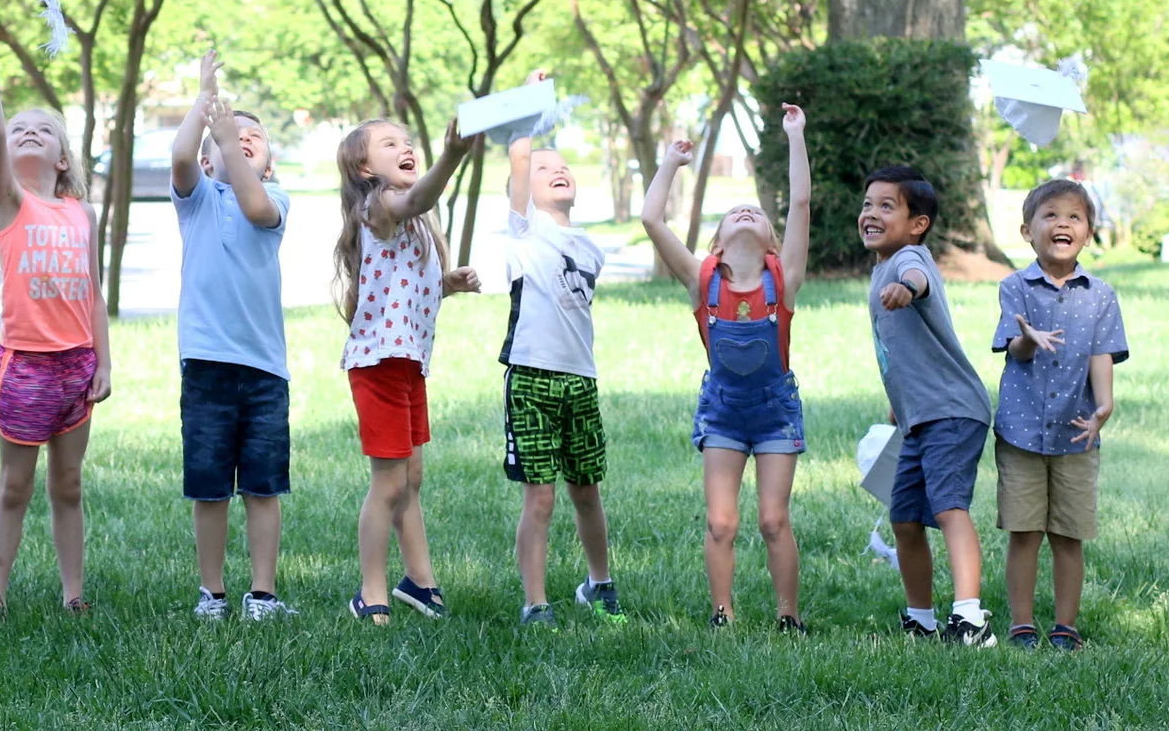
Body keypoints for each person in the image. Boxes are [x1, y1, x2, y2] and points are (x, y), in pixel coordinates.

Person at [641, 106, 813, 633]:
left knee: (772, 519)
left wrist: (795, 136)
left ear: (770, 241)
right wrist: (670, 163)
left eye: (756, 213)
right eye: (735, 211)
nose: (746, 212)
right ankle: (723, 613)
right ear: (716, 243)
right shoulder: (702, 281)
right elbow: (652, 219)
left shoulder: (783, 284)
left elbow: (802, 201)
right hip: (722, 412)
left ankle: (788, 616)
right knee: (720, 522)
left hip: (774, 412)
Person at [0, 3, 111, 614]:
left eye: (43, 129)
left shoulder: (79, 211)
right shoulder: (9, 203)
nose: (27, 131)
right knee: (16, 485)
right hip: (23, 366)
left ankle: (73, 595)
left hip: (76, 364)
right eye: (21, 126)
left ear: (62, 158)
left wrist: (104, 362)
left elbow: (94, 292)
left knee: (68, 485)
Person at [335, 115, 482, 625]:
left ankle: (420, 582)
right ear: (363, 166)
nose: (405, 147)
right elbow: (417, 197)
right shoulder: (379, 204)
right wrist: (453, 156)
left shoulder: (413, 219)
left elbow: (400, 286)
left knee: (412, 478)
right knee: (389, 485)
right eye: (389, 143)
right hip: (378, 366)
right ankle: (369, 591)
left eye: (407, 141)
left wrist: (445, 283)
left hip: (408, 365)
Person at [168, 51, 297, 622]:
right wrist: (204, 102)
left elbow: (253, 204)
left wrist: (225, 131)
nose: (243, 138)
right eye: (232, 135)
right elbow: (178, 156)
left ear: (267, 163)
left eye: (255, 138)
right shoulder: (196, 200)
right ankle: (212, 593)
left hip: (265, 369)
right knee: (210, 486)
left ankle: (262, 594)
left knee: (263, 487)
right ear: (207, 158)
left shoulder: (274, 200)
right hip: (206, 366)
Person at [494, 71, 615, 629]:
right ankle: (536, 602)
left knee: (586, 490)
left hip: (580, 380)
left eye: (562, 165)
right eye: (544, 168)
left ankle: (600, 585)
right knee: (539, 499)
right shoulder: (524, 235)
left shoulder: (590, 248)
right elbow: (519, 160)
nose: (556, 169)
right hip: (531, 378)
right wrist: (529, 101)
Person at [989, 179, 1127, 651]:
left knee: (1069, 535)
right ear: (1028, 230)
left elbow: (1102, 353)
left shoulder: (1101, 295)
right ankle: (1022, 624)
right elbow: (1016, 349)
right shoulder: (1015, 286)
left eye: (1073, 216)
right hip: (1021, 432)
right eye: (1050, 215)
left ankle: (1066, 625)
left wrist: (1104, 404)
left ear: (1088, 232)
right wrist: (1029, 337)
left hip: (1076, 431)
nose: (1062, 223)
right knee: (1024, 533)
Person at [862, 165, 997, 645]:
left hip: (954, 411)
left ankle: (970, 619)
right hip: (919, 417)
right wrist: (897, 407)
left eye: (886, 206)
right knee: (904, 517)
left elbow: (917, 276)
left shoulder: (908, 260)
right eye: (867, 205)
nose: (871, 213)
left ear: (917, 223)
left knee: (948, 507)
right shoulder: (881, 269)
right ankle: (921, 618)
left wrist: (908, 288)